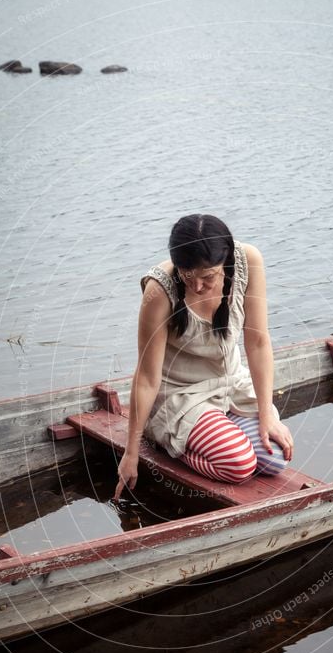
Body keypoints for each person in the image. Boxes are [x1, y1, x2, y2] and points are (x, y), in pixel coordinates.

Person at [114, 214, 294, 499]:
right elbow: (147, 377)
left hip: (230, 386)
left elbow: (258, 342)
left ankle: (222, 429)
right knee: (240, 465)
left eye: (208, 277)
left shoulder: (249, 261)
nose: (197, 286)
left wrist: (265, 414)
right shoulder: (159, 291)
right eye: (188, 275)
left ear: (225, 261)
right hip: (181, 395)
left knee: (275, 459)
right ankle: (170, 442)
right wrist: (131, 452)